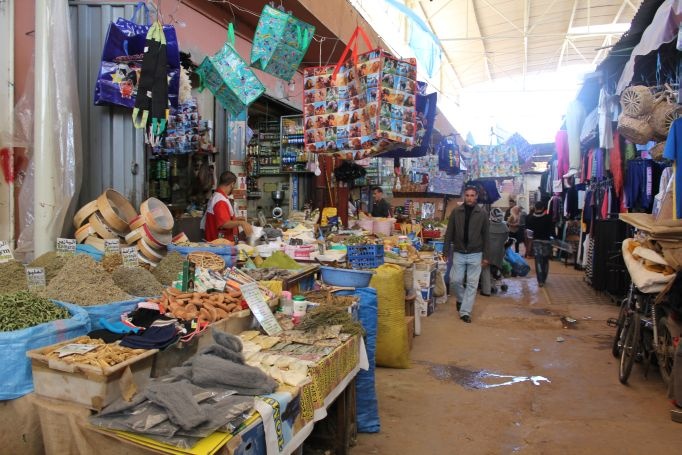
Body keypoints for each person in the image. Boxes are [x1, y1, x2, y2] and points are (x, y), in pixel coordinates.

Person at [443, 185, 489, 323]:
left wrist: (487, 256)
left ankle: (465, 312)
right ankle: (461, 300)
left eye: (472, 195)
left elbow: (486, 236)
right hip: (459, 252)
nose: (469, 198)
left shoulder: (482, 214)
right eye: (467, 195)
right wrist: (445, 251)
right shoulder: (456, 212)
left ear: (476, 197)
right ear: (464, 196)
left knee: (472, 283)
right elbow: (449, 232)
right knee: (455, 280)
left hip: (476, 253)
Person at [202, 171, 253, 242]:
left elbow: (220, 218)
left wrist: (236, 219)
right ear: (232, 184)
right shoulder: (220, 200)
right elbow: (224, 223)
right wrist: (241, 223)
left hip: (220, 242)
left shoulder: (218, 196)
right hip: (219, 244)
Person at [525, 201, 554, 287]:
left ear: (535, 207)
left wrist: (528, 245)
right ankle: (544, 278)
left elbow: (529, 233)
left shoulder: (529, 218)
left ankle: (540, 280)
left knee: (538, 260)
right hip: (547, 241)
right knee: (545, 260)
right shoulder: (548, 217)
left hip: (536, 241)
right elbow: (552, 231)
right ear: (542, 208)